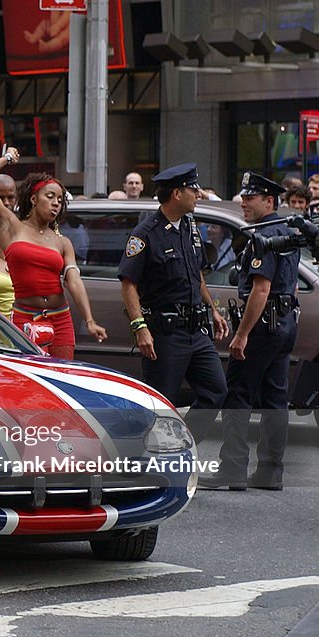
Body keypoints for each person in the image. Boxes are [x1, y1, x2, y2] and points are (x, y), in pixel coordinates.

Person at [200, 173, 299, 491]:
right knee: (274, 398)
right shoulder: (287, 232)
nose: (243, 202)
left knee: (238, 395)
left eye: (250, 197)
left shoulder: (264, 235)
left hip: (263, 326)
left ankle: (233, 468)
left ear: (269, 201)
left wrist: (241, 335)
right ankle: (270, 472)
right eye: (243, 196)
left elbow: (261, 289)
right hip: (284, 322)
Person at [117, 163, 229, 442]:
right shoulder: (145, 234)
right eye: (194, 190)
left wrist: (213, 310)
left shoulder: (189, 226)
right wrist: (139, 327)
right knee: (160, 404)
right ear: (177, 193)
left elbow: (196, 273)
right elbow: (128, 283)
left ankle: (180, 444)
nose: (199, 195)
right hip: (165, 334)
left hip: (196, 331)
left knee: (215, 390)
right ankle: (144, 463)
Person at [0, 147, 107, 359]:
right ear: (34, 199)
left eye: (60, 200)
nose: (56, 203)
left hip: (60, 318)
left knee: (62, 376)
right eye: (50, 196)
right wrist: (7, 159)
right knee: (29, 377)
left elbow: (73, 281)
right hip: (25, 319)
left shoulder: (63, 242)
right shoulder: (11, 226)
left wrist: (89, 320)